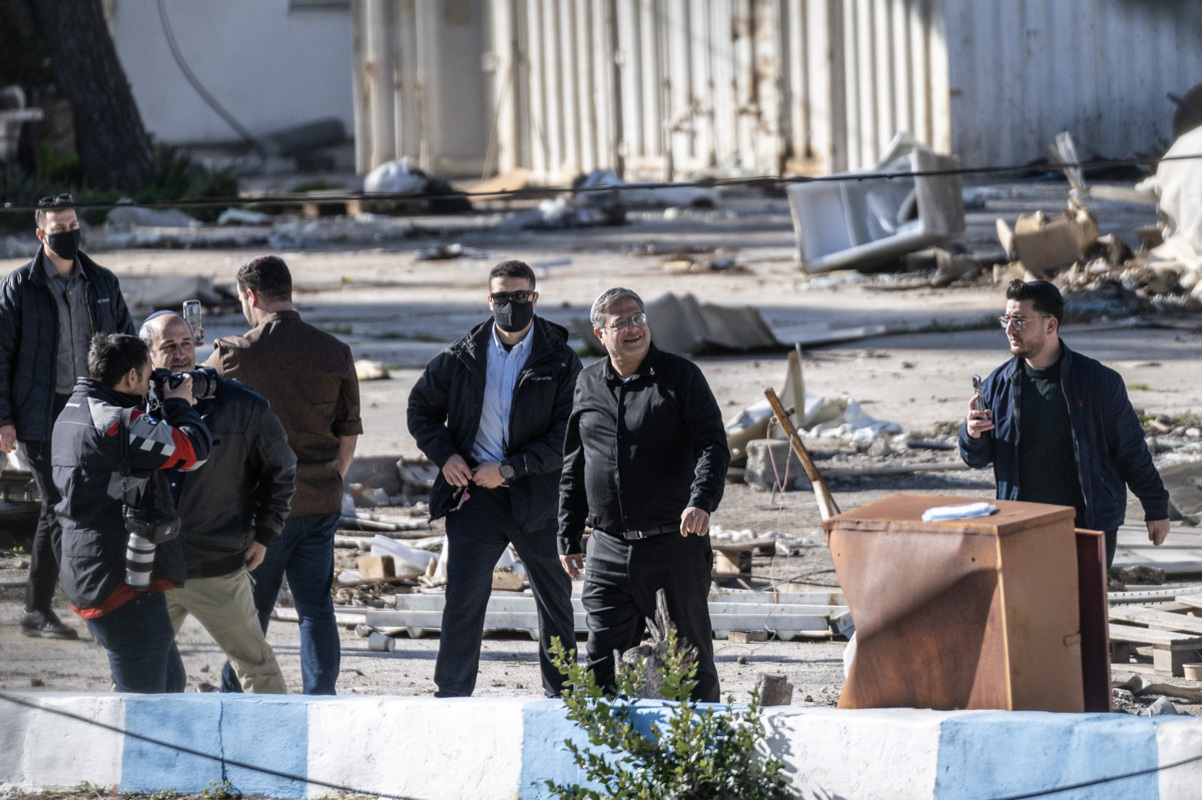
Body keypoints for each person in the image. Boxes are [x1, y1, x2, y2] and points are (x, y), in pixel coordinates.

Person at [408, 260, 580, 697]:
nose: (511, 305)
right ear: (489, 300)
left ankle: (562, 698)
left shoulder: (559, 359)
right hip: (475, 500)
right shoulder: (462, 354)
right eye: (502, 297)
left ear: (535, 299)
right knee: (462, 600)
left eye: (520, 297)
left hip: (537, 497)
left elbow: (568, 433)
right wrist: (445, 456)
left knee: (554, 601)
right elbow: (421, 409)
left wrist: (509, 468)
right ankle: (451, 693)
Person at [558, 287, 730, 702]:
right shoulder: (587, 383)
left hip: (674, 546)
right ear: (600, 334)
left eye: (638, 318)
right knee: (602, 662)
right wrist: (567, 533)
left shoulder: (681, 377)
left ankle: (700, 757)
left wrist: (701, 500)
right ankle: (609, 758)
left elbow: (712, 445)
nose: (633, 328)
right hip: (606, 550)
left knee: (687, 660)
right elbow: (575, 463)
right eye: (621, 323)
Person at [205, 255, 362, 695]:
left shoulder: (233, 354)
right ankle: (320, 697)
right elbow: (347, 436)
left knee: (251, 613)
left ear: (251, 296)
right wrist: (327, 480)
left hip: (260, 511)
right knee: (316, 608)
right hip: (320, 500)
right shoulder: (335, 351)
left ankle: (233, 696)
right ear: (288, 292)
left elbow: (194, 411)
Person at [960, 279, 1170, 567]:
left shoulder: (1098, 382)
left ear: (1050, 325)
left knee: (1084, 610)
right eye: (1007, 320)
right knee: (1027, 611)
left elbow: (1131, 450)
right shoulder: (998, 384)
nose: (1009, 330)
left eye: (1020, 321)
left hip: (1088, 524)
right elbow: (977, 458)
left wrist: (1156, 507)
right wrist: (972, 433)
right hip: (1021, 525)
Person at [0, 194, 136, 640]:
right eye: (59, 228)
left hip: (92, 410)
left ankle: (38, 610)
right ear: (41, 235)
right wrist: (4, 419)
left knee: (64, 510)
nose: (69, 233)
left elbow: (126, 341)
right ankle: (88, 605)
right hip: (39, 415)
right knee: (64, 509)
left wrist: (136, 400)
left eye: (74, 224)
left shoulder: (100, 282)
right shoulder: (19, 287)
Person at [141, 311, 294, 694]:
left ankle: (276, 749)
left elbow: (282, 470)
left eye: (186, 344)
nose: (180, 354)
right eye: (168, 346)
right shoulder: (135, 405)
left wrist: (264, 533)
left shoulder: (242, 405)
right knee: (139, 671)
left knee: (258, 669)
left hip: (215, 564)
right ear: (147, 354)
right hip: (153, 568)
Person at [52, 333, 211, 693]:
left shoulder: (71, 411)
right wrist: (179, 405)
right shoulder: (118, 423)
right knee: (142, 705)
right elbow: (194, 451)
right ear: (129, 377)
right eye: (147, 373)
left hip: (85, 567)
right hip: (118, 584)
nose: (150, 380)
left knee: (171, 683)